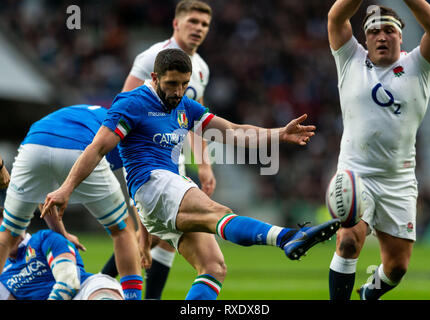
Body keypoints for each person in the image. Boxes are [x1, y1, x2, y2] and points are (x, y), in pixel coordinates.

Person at [42, 48, 341, 300]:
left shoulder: (185, 104)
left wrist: (279, 133)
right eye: (171, 84)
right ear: (155, 78)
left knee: (213, 267)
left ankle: (286, 238)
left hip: (162, 197)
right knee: (218, 211)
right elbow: (96, 149)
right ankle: (287, 237)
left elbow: (233, 132)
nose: (177, 91)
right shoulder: (131, 103)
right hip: (153, 183)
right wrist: (66, 189)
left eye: (183, 84)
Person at [326, 0, 430, 300]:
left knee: (396, 268)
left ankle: (369, 293)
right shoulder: (350, 58)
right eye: (374, 32)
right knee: (348, 243)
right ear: (365, 39)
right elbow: (335, 16)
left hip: (399, 180)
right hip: (356, 175)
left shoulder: (418, 66)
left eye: (389, 31)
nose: (382, 36)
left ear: (400, 36)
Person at [102, 0, 216, 300]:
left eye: (204, 24)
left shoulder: (200, 68)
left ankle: (109, 286)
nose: (199, 29)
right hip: (144, 156)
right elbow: (123, 104)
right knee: (152, 235)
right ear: (176, 23)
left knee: (164, 239)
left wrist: (204, 164)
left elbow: (197, 118)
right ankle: (98, 284)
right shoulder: (152, 56)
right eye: (193, 22)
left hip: (173, 156)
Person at [0, 105, 143, 300]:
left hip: (32, 146)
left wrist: (63, 235)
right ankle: (132, 297)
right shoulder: (133, 133)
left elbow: (44, 196)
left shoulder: (88, 114)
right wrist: (144, 230)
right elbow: (137, 188)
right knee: (122, 229)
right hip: (78, 144)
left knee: (7, 234)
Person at [0, 226, 124, 300]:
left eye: (6, 229)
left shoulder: (44, 238)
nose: (5, 237)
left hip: (82, 292)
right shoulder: (2, 270)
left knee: (102, 293)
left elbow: (69, 283)